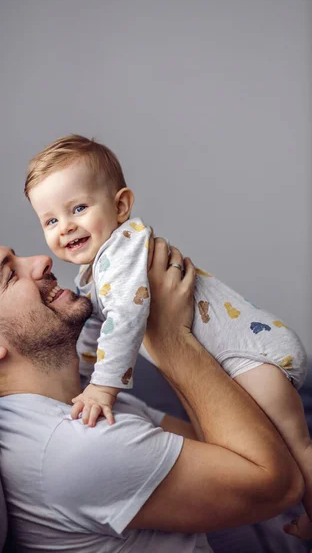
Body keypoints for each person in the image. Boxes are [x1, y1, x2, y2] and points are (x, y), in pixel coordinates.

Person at [0, 226, 306, 552]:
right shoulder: (74, 449)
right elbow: (279, 485)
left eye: (16, 256)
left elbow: (225, 449)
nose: (41, 260)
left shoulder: (81, 403)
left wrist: (155, 324)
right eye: (10, 274)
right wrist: (168, 338)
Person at [24, 134, 312, 540]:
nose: (65, 226)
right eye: (51, 220)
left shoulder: (123, 252)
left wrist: (103, 389)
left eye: (79, 208)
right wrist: (84, 381)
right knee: (266, 442)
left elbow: (125, 318)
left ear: (121, 205)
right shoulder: (96, 274)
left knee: (296, 444)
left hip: (253, 352)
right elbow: (97, 330)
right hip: (230, 361)